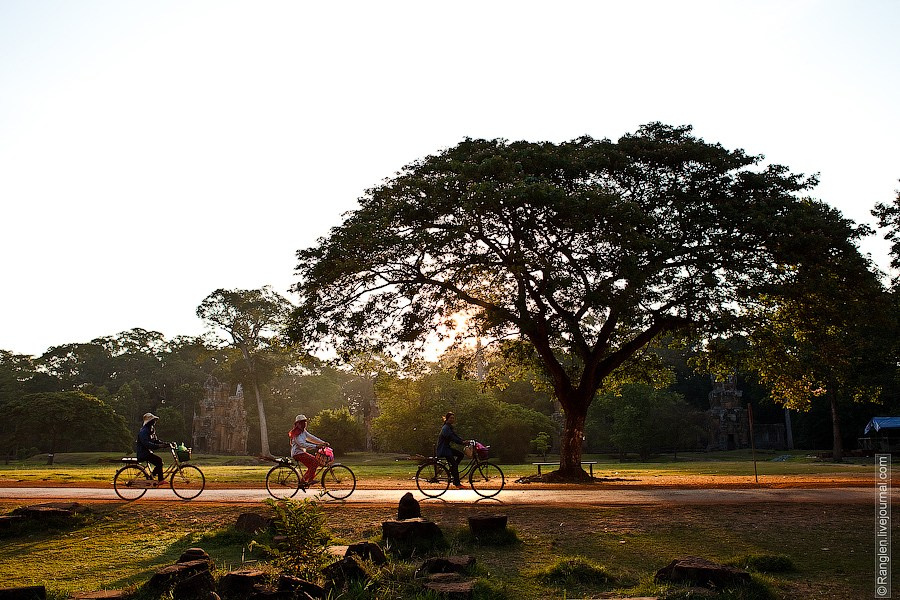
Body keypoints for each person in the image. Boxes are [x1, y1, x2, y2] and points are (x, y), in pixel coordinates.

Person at [288, 414, 328, 487]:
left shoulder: (303, 431)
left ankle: (304, 481)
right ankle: (307, 481)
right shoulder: (296, 433)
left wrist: (322, 443)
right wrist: (316, 446)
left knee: (312, 466)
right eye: (302, 422)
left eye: (305, 422)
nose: (304, 424)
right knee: (315, 462)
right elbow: (302, 444)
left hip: (301, 452)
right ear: (298, 424)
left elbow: (311, 438)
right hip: (297, 453)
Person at [136, 412, 170, 484]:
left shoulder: (151, 429)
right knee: (159, 461)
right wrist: (158, 446)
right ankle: (159, 479)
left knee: (159, 462)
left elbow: (155, 440)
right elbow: (146, 443)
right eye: (153, 420)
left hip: (147, 452)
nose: (155, 422)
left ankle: (151, 477)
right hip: (143, 453)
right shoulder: (144, 431)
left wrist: (165, 444)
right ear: (149, 422)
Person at [436, 411, 466, 488]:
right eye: (451, 418)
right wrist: (461, 442)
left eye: (453, 418)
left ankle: (452, 469)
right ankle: (457, 483)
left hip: (447, 449)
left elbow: (455, 436)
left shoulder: (449, 427)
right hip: (443, 450)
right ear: (447, 419)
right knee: (455, 464)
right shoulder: (445, 428)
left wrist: (463, 441)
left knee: (461, 455)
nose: (452, 419)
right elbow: (451, 437)